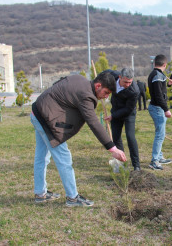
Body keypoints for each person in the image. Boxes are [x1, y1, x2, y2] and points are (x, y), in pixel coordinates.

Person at [31, 72, 127, 207]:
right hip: (45, 118)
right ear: (98, 85)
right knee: (64, 158)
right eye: (106, 92)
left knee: (42, 157)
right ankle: (72, 198)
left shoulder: (79, 79)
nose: (106, 97)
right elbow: (93, 122)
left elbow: (57, 86)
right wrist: (112, 148)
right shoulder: (86, 95)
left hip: (38, 111)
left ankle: (40, 193)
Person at [104, 68, 141, 171]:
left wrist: (113, 116)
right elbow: (104, 72)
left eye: (130, 82)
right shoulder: (113, 75)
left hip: (128, 113)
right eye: (125, 82)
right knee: (116, 137)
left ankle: (136, 165)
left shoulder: (135, 90)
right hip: (115, 109)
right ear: (120, 77)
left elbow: (128, 109)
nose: (128, 84)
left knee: (130, 136)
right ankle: (120, 163)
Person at [147, 54, 172, 170]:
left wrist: (167, 84)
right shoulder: (157, 75)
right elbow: (158, 95)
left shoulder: (158, 74)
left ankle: (160, 157)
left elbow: (159, 89)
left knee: (161, 133)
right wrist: (166, 109)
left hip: (158, 107)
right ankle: (155, 160)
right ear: (164, 65)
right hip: (157, 108)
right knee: (160, 135)